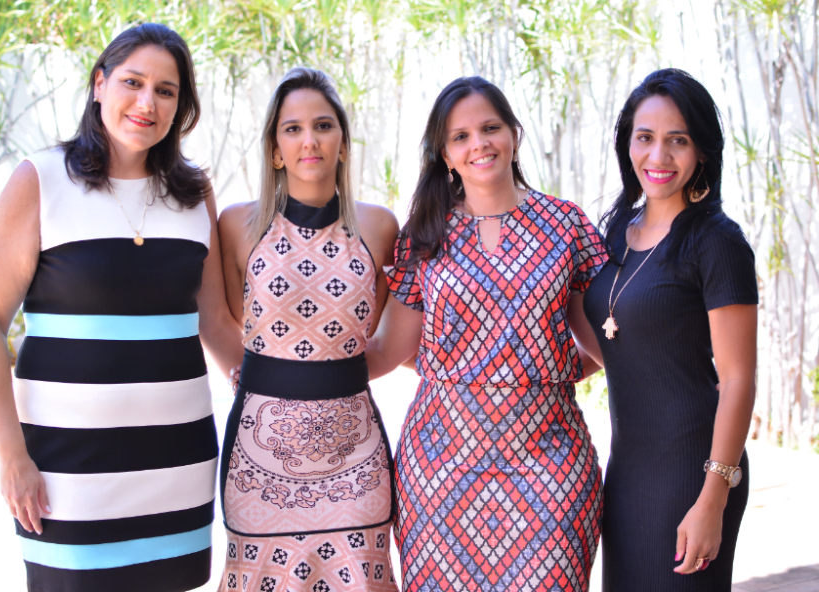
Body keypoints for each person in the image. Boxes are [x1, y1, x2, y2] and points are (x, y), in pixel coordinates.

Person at [0, 23, 242, 592]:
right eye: (133, 82)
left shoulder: (195, 194)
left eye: (166, 91)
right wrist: (12, 457)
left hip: (177, 462)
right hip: (67, 470)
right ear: (99, 85)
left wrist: (285, 399)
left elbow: (216, 322)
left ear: (181, 106)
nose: (147, 102)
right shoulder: (41, 179)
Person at [367, 76, 606, 592]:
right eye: (460, 136)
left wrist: (542, 373)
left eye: (490, 128)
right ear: (445, 154)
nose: (479, 144)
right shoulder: (424, 235)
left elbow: (602, 346)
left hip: (551, 461)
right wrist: (290, 365)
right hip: (439, 469)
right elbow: (394, 351)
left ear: (514, 134)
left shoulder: (566, 225)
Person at [216, 66, 400, 592]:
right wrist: (264, 380)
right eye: (292, 129)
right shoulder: (236, 225)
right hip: (259, 461)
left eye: (323, 125)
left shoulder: (380, 227)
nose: (309, 140)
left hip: (356, 460)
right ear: (275, 149)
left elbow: (377, 333)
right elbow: (233, 318)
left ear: (343, 141)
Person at [582, 68, 757, 590]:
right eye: (646, 138)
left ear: (702, 150)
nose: (658, 157)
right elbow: (613, 343)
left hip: (692, 470)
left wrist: (713, 499)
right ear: (627, 144)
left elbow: (739, 379)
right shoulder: (616, 232)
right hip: (628, 468)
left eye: (677, 141)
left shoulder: (716, 243)